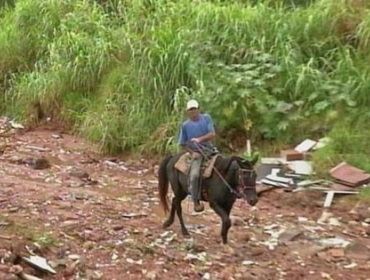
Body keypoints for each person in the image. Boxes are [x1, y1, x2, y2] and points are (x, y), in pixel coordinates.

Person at [178, 99, 217, 212]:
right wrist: (192, 152)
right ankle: (196, 201)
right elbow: (182, 143)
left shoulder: (206, 118)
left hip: (209, 150)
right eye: (191, 110)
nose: (193, 111)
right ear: (188, 112)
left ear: (199, 109)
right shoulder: (185, 126)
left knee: (225, 166)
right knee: (194, 175)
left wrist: (199, 139)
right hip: (197, 153)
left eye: (195, 109)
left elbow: (212, 134)